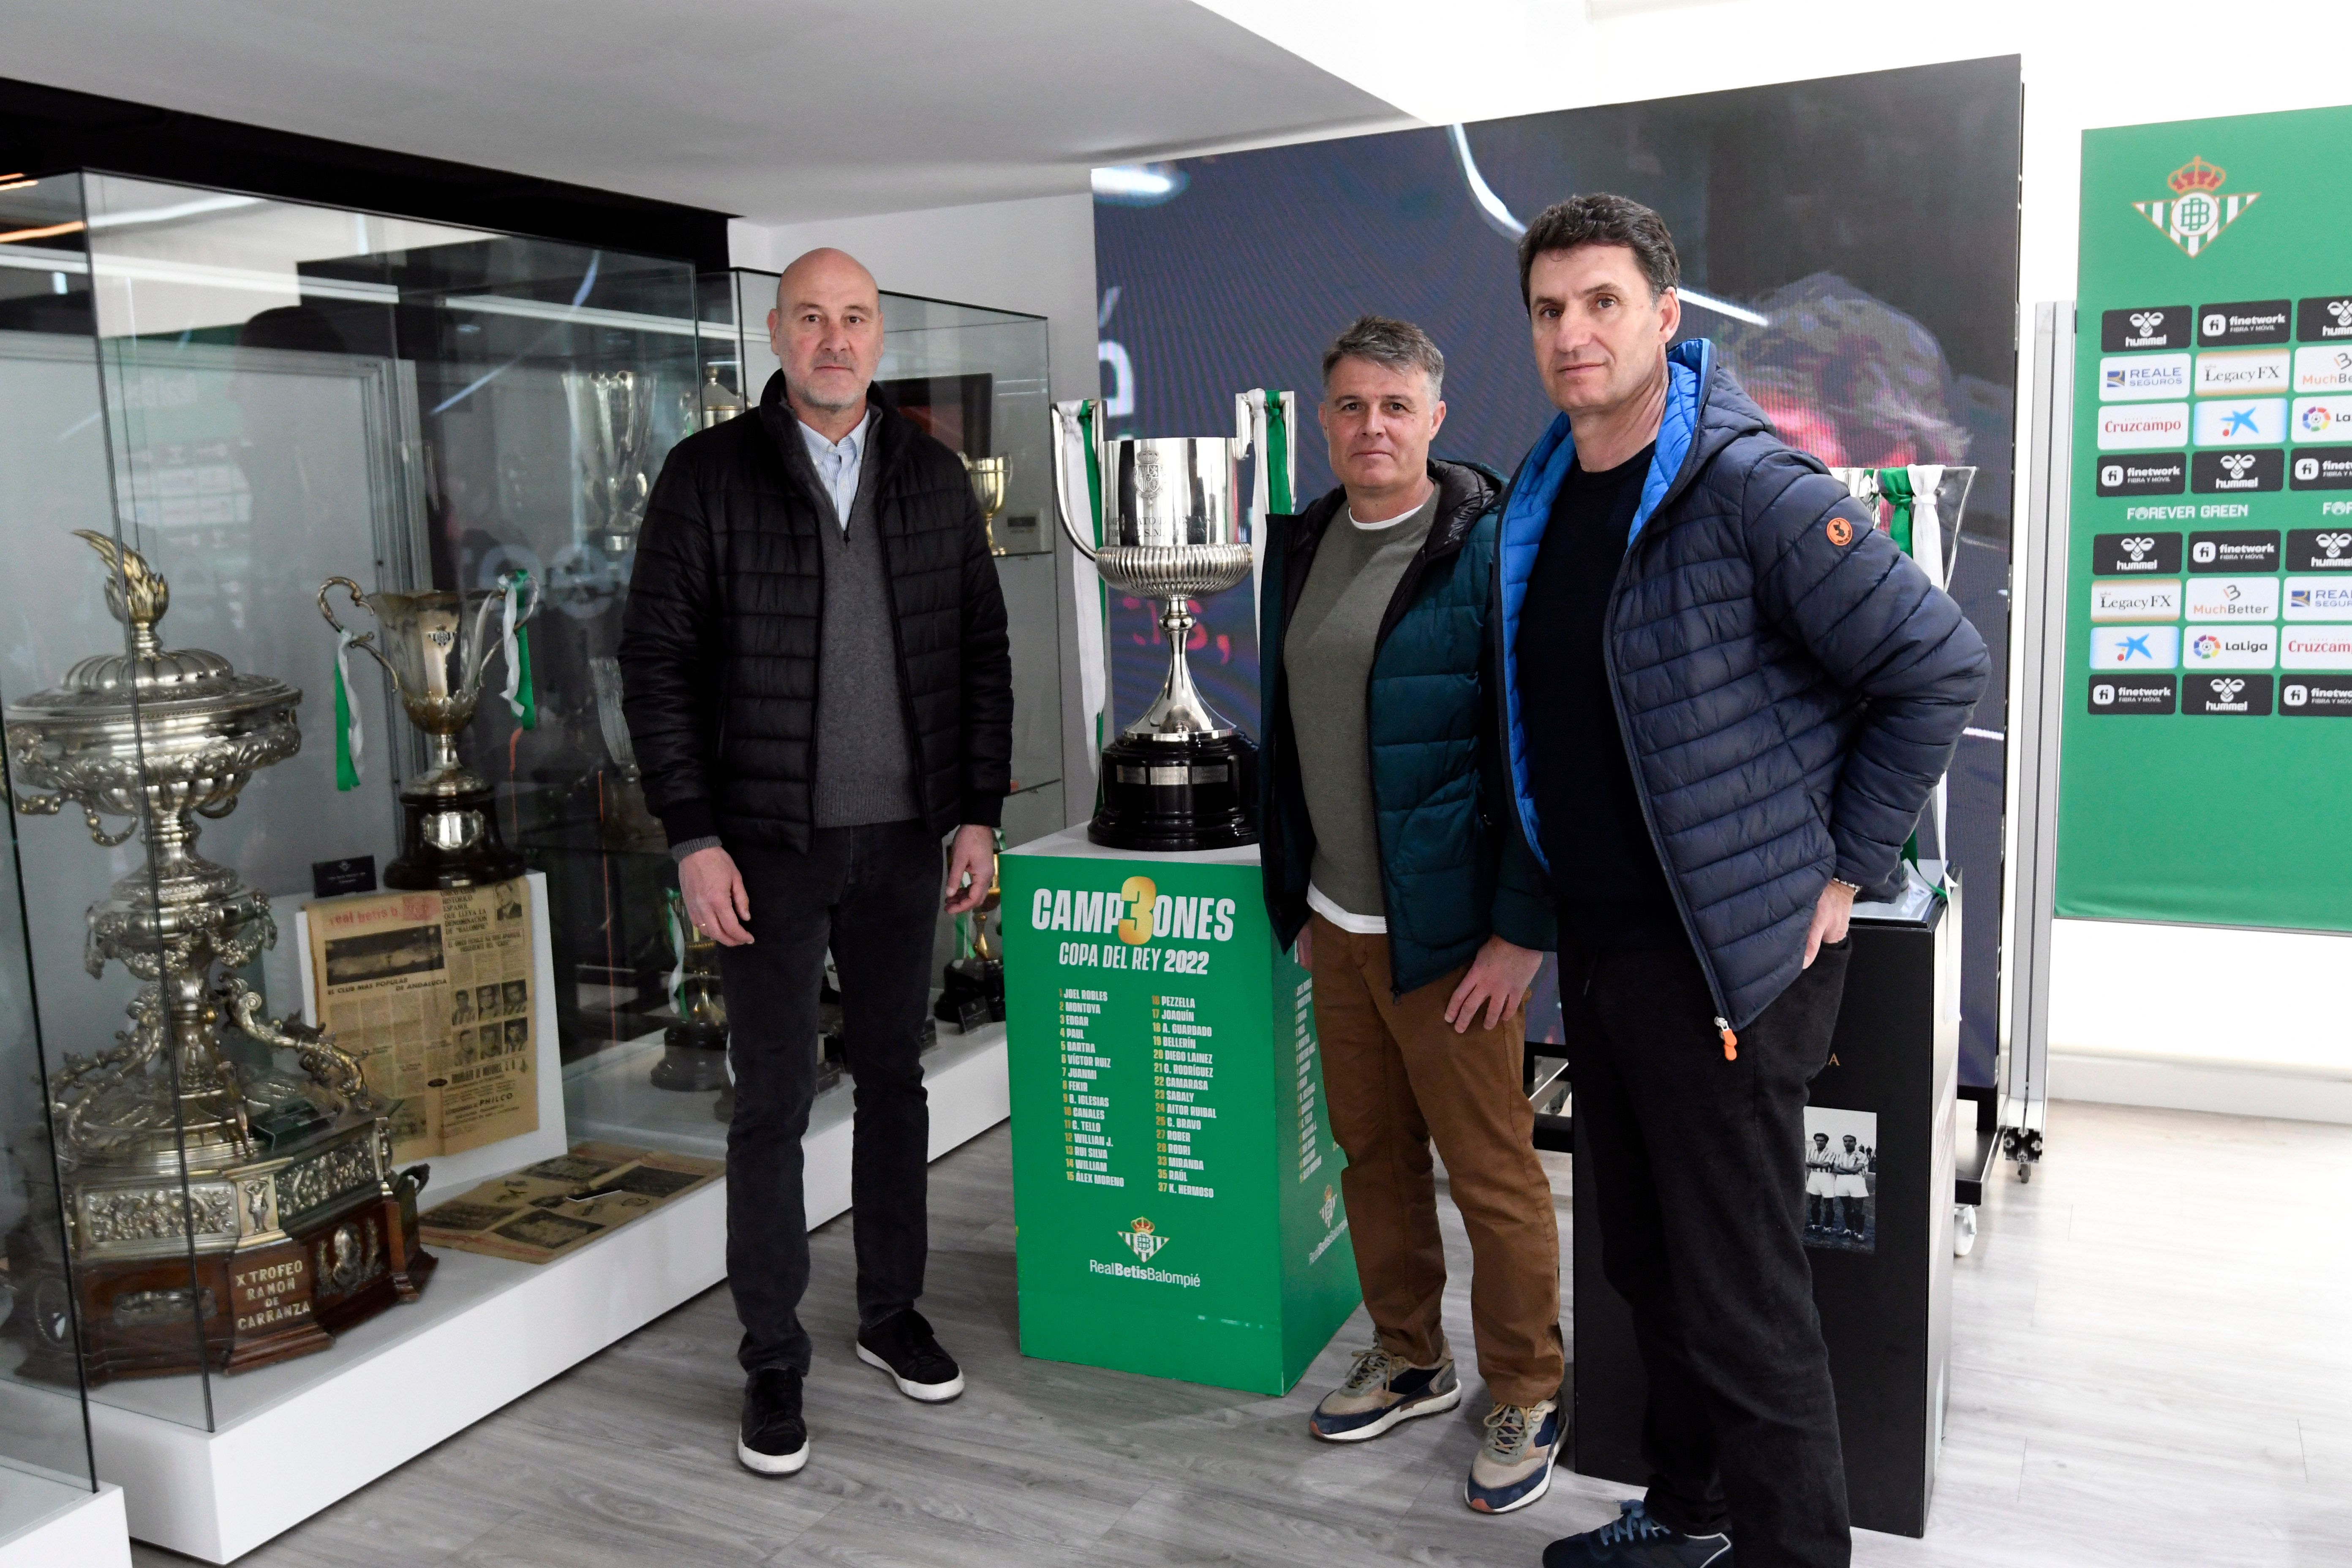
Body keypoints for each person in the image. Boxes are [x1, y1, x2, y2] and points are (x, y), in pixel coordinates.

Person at [1490, 196, 1989, 1568]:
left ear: (1666, 316)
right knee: (1650, 1269)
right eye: (1550, 310)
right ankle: (1692, 1513)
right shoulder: (1548, 491)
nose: (1574, 333)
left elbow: (1935, 665)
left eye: (1603, 303)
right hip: (1608, 950)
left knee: (1745, 1301)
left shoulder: (1749, 485)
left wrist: (1847, 865)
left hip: (1722, 964)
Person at [618, 247, 1011, 1478]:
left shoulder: (934, 478)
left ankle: (890, 1315)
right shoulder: (707, 476)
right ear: (776, 335)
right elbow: (658, 670)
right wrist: (692, 836)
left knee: (897, 1082)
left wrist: (978, 815)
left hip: (906, 844)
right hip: (766, 852)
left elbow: (982, 660)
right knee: (773, 1105)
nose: (835, 340)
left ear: (879, 336)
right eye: (811, 320)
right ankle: (772, 1356)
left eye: (855, 320)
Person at [1257, 316, 1561, 1514]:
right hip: (1338, 921)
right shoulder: (1304, 540)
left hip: (1454, 942)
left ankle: (1529, 1387)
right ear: (1324, 420)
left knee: (1491, 1174)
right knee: (1371, 1155)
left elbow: (1532, 754)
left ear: (1435, 418)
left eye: (1395, 405)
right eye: (1349, 406)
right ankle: (1414, 1357)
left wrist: (1520, 927)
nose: (1371, 426)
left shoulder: (1485, 550)